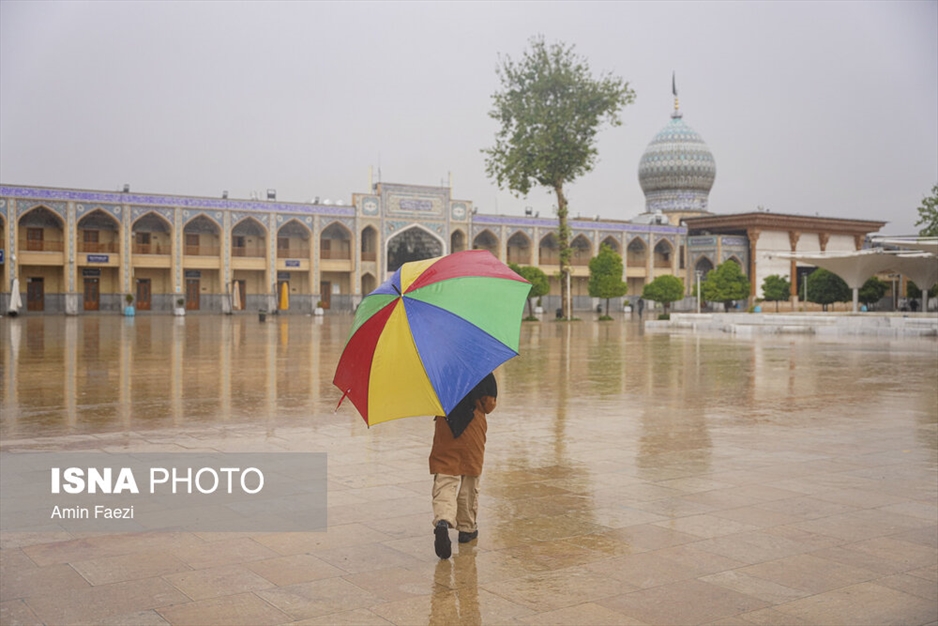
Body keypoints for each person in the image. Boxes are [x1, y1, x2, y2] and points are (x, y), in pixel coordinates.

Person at [429, 372, 497, 559]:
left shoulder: (439, 370)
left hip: (446, 426)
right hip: (472, 430)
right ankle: (467, 529)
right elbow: (489, 405)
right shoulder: (481, 369)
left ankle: (443, 520)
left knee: (445, 477)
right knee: (469, 478)